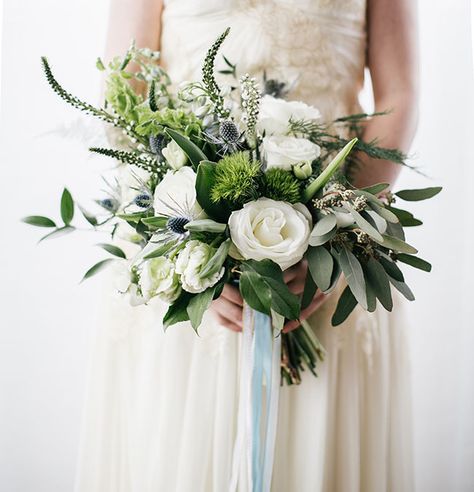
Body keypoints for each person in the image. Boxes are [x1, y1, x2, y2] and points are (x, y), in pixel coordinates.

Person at [76, 1, 418, 490]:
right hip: (187, 259)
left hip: (332, 260)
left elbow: (399, 94)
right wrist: (190, 251)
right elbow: (125, 89)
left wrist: (338, 236)